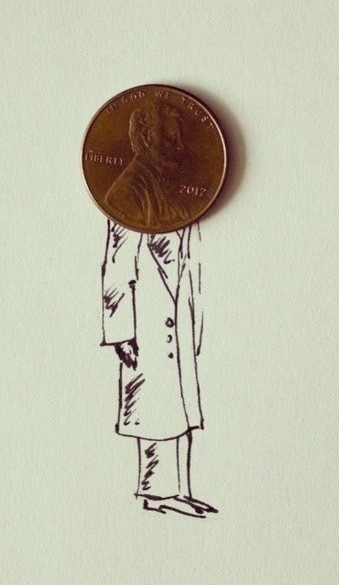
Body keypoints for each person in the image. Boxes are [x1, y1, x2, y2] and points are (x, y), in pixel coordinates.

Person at [100, 218, 217, 518]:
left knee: (182, 411)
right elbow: (116, 265)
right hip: (147, 327)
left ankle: (181, 490)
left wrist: (195, 329)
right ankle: (155, 491)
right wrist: (121, 334)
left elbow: (192, 265)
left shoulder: (184, 207)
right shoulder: (128, 204)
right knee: (154, 410)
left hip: (178, 323)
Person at [104, 100, 190, 229]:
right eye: (172, 138)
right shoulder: (123, 194)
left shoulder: (164, 184)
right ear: (146, 137)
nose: (181, 146)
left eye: (180, 138)